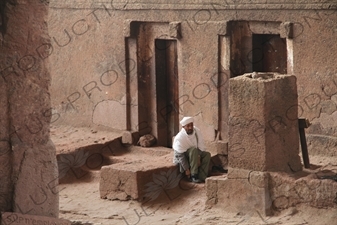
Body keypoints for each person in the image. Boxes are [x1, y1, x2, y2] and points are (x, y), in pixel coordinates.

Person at [172, 116, 211, 183]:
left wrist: (198, 156)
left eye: (191, 125)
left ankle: (202, 176)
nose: (190, 128)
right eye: (188, 126)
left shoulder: (196, 132)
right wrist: (186, 169)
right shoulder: (180, 138)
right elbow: (180, 155)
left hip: (194, 154)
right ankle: (194, 175)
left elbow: (200, 146)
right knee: (193, 150)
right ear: (183, 127)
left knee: (207, 155)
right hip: (183, 156)